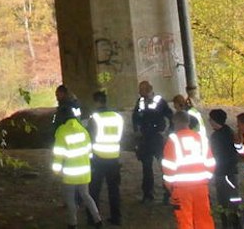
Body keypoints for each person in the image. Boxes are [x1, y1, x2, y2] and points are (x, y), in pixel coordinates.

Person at [53, 90, 105, 228]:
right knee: (86, 196)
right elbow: (89, 151)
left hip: (70, 173)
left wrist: (56, 170)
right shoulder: (83, 130)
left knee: (70, 200)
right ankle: (98, 220)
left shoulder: (61, 132)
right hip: (84, 171)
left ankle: (73, 223)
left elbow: (59, 154)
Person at [161, 109, 214, 229]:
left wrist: (169, 186)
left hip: (181, 188)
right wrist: (205, 179)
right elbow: (211, 163)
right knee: (204, 218)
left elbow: (168, 167)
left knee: (185, 220)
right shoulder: (201, 138)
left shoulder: (173, 140)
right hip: (201, 187)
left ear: (175, 122)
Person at [88, 90, 125, 226]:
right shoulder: (117, 117)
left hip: (98, 158)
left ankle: (93, 217)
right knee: (114, 189)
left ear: (96, 102)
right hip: (114, 157)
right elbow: (121, 136)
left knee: (94, 190)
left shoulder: (95, 118)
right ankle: (116, 217)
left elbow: (90, 137)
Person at [133, 80, 173, 205]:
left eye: (141, 89)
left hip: (157, 138)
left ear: (148, 89)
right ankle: (148, 194)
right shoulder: (139, 102)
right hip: (145, 139)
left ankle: (169, 193)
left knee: (164, 166)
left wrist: (167, 132)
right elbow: (134, 117)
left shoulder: (159, 101)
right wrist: (136, 130)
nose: (139, 91)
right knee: (146, 167)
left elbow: (170, 115)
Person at [207, 108, 244, 229]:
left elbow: (213, 154)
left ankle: (231, 225)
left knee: (226, 202)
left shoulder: (216, 137)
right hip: (229, 172)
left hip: (224, 174)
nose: (209, 121)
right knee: (232, 201)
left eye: (210, 119)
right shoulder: (230, 132)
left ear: (214, 121)